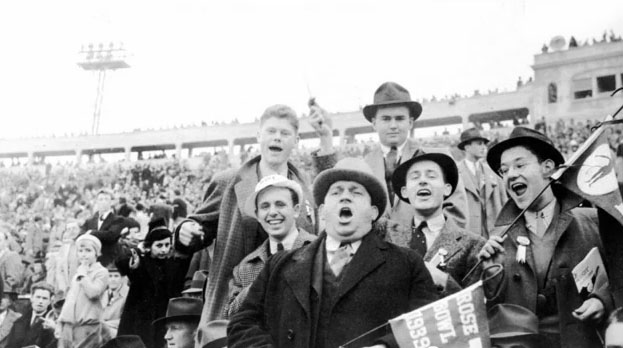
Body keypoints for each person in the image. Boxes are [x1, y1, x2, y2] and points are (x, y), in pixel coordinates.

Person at [228, 158, 439, 348]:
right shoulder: (279, 264)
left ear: (373, 212)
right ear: (322, 211)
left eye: (356, 192)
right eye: (336, 192)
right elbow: (243, 323)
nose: (345, 197)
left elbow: (428, 322)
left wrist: (386, 346)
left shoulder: (407, 263)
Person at [176, 104, 336, 330]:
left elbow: (332, 188)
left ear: (296, 140)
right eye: (271, 131)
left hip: (289, 311)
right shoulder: (228, 181)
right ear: (259, 136)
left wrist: (326, 138)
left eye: (285, 133)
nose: (277, 138)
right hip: (234, 306)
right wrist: (187, 231)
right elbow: (198, 226)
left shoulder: (304, 187)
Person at [478, 127, 613, 347]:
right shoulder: (497, 239)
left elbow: (619, 277)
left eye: (520, 165)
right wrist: (492, 276)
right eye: (504, 170)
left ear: (548, 167)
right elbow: (492, 311)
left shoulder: (592, 221)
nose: (510, 174)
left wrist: (602, 300)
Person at [309, 81, 469, 231]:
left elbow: (457, 215)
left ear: (411, 123)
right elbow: (331, 190)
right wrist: (325, 139)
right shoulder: (364, 165)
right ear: (374, 123)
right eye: (386, 119)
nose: (393, 125)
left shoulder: (437, 159)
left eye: (399, 118)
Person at [388, 153, 486, 295]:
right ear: (404, 192)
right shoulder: (389, 239)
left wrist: (443, 281)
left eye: (431, 176)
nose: (422, 181)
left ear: (447, 189)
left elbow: (476, 304)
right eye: (415, 177)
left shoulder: (474, 244)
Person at [226, 175, 316, 317]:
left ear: (296, 210)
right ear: (257, 215)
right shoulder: (246, 267)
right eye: (265, 206)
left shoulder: (319, 250)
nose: (272, 212)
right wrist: (261, 282)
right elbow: (231, 315)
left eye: (280, 204)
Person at [117, 218, 191, 348]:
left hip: (163, 317)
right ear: (149, 246)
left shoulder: (173, 264)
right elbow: (122, 262)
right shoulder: (142, 262)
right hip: (140, 318)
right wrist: (138, 253)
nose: (164, 250)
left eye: (167, 245)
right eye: (159, 245)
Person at [58, 234, 111, 348]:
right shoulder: (78, 272)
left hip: (87, 326)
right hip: (69, 324)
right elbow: (70, 300)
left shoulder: (101, 272)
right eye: (80, 251)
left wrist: (83, 275)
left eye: (88, 250)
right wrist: (61, 322)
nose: (83, 254)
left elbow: (93, 293)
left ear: (97, 253)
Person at [456, 128, 507, 238]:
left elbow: (505, 204)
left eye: (484, 144)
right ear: (467, 147)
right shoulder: (455, 173)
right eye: (479, 144)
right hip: (468, 236)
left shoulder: (493, 173)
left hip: (494, 235)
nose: (484, 147)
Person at [81, 189, 126, 266]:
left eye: (106, 199)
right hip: (90, 261)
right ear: (96, 202)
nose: (103, 202)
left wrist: (92, 232)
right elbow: (82, 233)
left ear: (111, 202)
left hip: (109, 260)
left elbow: (111, 235)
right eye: (100, 199)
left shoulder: (118, 219)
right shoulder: (90, 220)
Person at [6, 282, 56, 348]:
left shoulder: (53, 323)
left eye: (44, 298)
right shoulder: (19, 321)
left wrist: (54, 329)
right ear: (31, 298)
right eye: (38, 297)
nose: (40, 301)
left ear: (50, 301)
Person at [102, 265, 129, 337]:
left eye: (116, 276)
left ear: (122, 278)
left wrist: (103, 324)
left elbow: (127, 321)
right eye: (110, 276)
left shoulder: (128, 294)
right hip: (103, 329)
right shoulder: (103, 294)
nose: (112, 279)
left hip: (120, 332)